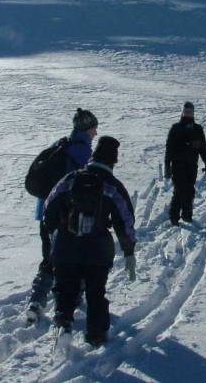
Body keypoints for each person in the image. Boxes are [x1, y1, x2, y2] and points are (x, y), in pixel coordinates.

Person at [44, 136, 136, 347]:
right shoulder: (112, 186)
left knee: (65, 288)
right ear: (113, 160)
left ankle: (63, 323)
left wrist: (54, 232)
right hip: (97, 249)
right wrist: (129, 251)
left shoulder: (71, 178)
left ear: (93, 155)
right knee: (96, 292)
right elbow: (125, 221)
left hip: (67, 245)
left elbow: (50, 205)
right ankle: (96, 334)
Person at [26, 108, 99, 323]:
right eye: (94, 128)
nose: (96, 133)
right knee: (76, 258)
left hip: (45, 214)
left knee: (49, 258)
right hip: (68, 217)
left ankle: (37, 301)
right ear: (87, 129)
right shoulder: (83, 152)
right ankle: (74, 299)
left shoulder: (60, 144)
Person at [164, 102, 206, 226]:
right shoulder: (175, 128)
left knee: (190, 191)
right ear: (182, 112)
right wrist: (167, 167)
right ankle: (174, 217)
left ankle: (187, 215)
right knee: (179, 191)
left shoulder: (198, 129)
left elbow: (203, 147)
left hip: (192, 165)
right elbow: (169, 149)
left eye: (190, 112)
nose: (188, 114)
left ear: (193, 113)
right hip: (177, 166)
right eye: (186, 112)